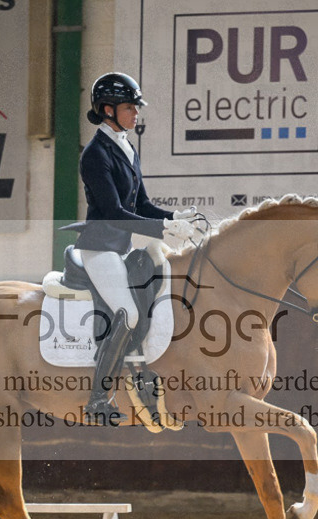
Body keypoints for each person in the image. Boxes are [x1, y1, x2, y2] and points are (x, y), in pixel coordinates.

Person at [71, 72, 195, 424]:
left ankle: (139, 370)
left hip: (121, 248)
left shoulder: (126, 146)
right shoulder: (95, 154)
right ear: (107, 110)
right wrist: (162, 229)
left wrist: (174, 217)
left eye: (135, 108)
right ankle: (98, 399)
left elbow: (140, 203)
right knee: (129, 313)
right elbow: (112, 212)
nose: (136, 113)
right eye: (129, 108)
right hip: (100, 248)